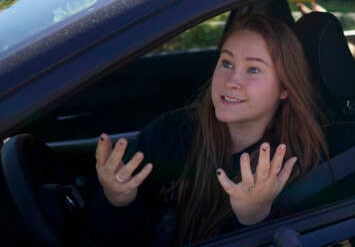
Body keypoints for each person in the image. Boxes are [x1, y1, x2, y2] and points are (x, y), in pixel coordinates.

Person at [88, 13, 328, 246]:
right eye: (226, 62)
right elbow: (109, 234)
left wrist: (254, 219)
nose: (231, 80)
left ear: (284, 88)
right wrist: (117, 201)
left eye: (253, 69)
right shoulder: (173, 130)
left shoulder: (297, 166)